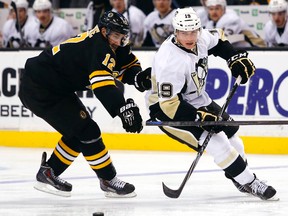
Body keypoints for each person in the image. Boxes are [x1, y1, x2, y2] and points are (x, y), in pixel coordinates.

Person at [145, 7, 278, 201]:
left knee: (232, 135)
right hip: (166, 108)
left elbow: (220, 43)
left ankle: (240, 177)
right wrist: (199, 117)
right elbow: (170, 104)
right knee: (217, 141)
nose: (190, 37)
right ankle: (250, 182)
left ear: (198, 29)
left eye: (193, 31)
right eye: (184, 32)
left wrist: (233, 58)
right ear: (175, 32)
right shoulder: (169, 60)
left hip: (197, 98)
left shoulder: (201, 37)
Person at [19, 11, 151, 198]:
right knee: (87, 131)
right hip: (39, 88)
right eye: (116, 36)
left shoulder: (109, 40)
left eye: (122, 36)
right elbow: (103, 86)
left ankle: (49, 172)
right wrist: (122, 109)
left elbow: (124, 64)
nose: (119, 40)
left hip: (54, 87)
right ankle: (108, 180)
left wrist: (138, 76)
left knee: (80, 132)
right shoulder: (98, 48)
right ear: (104, 31)